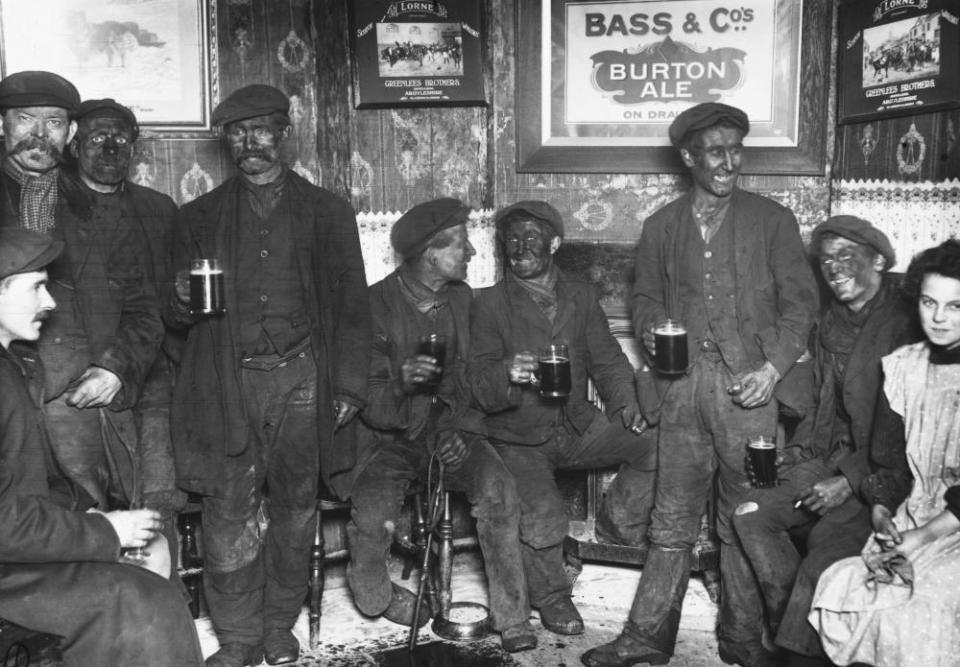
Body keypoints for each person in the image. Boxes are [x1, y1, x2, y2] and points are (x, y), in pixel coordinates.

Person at [582, 102, 819, 667]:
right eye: (717, 151)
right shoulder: (661, 226)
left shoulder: (772, 219)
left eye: (737, 149)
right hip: (683, 389)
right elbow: (642, 301)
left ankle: (742, 639)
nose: (729, 162)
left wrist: (771, 370)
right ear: (689, 156)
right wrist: (656, 331)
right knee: (671, 517)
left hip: (751, 395)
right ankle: (646, 639)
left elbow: (801, 306)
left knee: (745, 515)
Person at [166, 84, 372, 667]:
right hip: (229, 385)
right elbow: (174, 321)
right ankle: (236, 637)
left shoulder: (328, 212)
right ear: (226, 141)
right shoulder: (197, 217)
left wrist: (350, 387)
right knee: (227, 509)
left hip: (305, 380)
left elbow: (354, 307)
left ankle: (280, 625)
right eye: (237, 132)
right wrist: (180, 300)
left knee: (295, 507)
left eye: (261, 130)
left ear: (284, 134)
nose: (249, 142)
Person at [0, 226, 203, 667]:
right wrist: (107, 533)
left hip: (16, 554)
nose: (51, 302)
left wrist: (91, 514)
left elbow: (40, 480)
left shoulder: (15, 367)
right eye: (36, 286)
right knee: (140, 599)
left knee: (152, 573)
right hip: (8, 569)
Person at [346, 198, 536, 652]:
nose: (470, 252)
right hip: (387, 440)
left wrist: (463, 426)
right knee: (372, 515)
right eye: (462, 244)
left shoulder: (463, 300)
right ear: (432, 253)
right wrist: (400, 385)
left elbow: (469, 377)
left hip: (451, 433)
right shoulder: (371, 306)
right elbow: (368, 399)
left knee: (499, 490)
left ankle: (512, 618)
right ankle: (377, 596)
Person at [731, 215, 920, 665]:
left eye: (847, 256)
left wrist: (849, 482)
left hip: (887, 479)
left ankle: (803, 653)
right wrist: (794, 454)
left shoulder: (908, 323)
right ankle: (787, 635)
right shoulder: (831, 320)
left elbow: (911, 434)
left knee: (826, 555)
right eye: (828, 259)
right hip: (831, 459)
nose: (835, 267)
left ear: (878, 260)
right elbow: (823, 405)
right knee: (749, 513)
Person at [468, 200, 657, 639]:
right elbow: (477, 379)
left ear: (554, 242)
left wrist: (627, 405)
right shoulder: (489, 304)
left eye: (531, 237)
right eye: (512, 239)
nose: (520, 247)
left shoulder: (580, 295)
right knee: (543, 515)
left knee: (659, 440)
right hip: (518, 435)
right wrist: (505, 373)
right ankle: (552, 595)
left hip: (576, 425)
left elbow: (608, 361)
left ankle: (617, 524)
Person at [0, 72, 165, 518]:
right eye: (25, 119)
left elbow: (144, 309)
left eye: (53, 122)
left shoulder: (95, 204)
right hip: (6, 407)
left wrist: (114, 368)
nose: (38, 134)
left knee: (97, 535)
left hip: (75, 404)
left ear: (70, 132)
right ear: (2, 124)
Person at [810, 239, 960, 667]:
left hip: (950, 527)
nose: (938, 318)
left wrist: (923, 537)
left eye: (955, 306)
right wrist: (880, 511)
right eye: (930, 302)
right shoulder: (903, 366)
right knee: (842, 582)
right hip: (914, 515)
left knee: (922, 606)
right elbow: (889, 463)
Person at [66, 97, 187, 580]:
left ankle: (163, 604)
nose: (111, 147)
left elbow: (168, 306)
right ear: (74, 145)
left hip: (150, 370)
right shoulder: (53, 203)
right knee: (87, 503)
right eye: (97, 137)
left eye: (121, 138)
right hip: (78, 372)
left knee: (158, 497)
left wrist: (183, 301)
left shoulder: (158, 210)